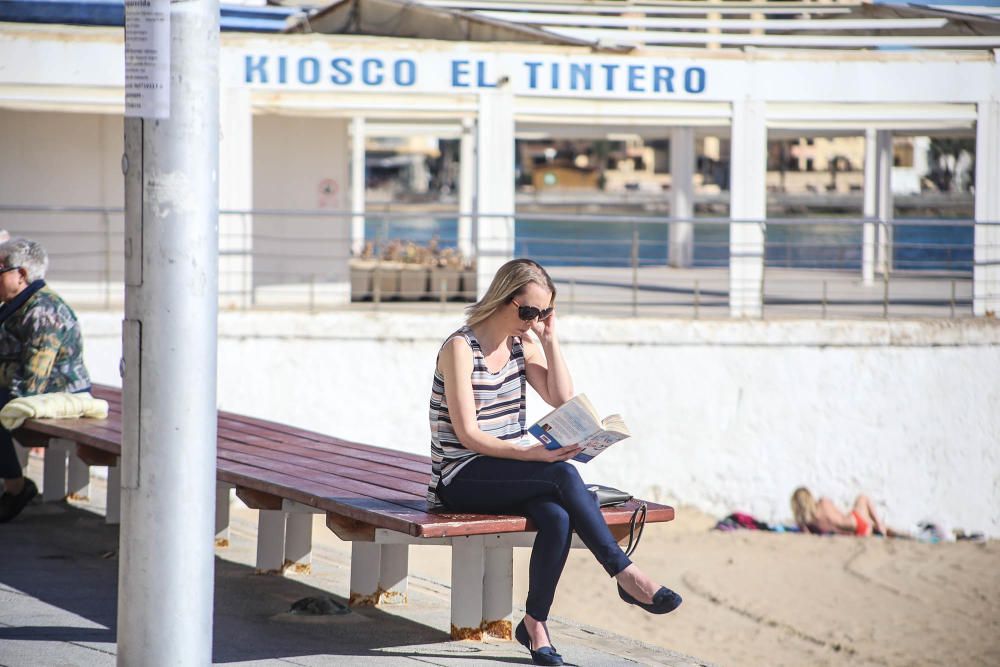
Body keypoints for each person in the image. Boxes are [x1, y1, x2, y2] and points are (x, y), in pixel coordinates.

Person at [428, 258, 680, 666]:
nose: (533, 321)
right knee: (563, 473)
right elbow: (467, 434)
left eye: (542, 313)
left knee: (558, 517)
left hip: (505, 471)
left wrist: (549, 339)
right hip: (459, 477)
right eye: (528, 311)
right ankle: (625, 573)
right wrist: (529, 454)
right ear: (502, 299)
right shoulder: (461, 348)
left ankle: (535, 624)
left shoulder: (522, 343)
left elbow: (561, 397)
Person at [0, 238, 92, 522]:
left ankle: (16, 487)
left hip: (60, 393)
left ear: (22, 275)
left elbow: (32, 383)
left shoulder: (43, 311)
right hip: (30, 387)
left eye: (0, 268)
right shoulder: (16, 305)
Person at [790, 486, 889, 537]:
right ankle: (879, 525)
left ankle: (875, 527)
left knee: (863, 516)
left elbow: (807, 535)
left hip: (852, 535)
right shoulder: (823, 502)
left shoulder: (806, 523)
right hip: (857, 524)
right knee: (863, 498)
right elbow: (840, 514)